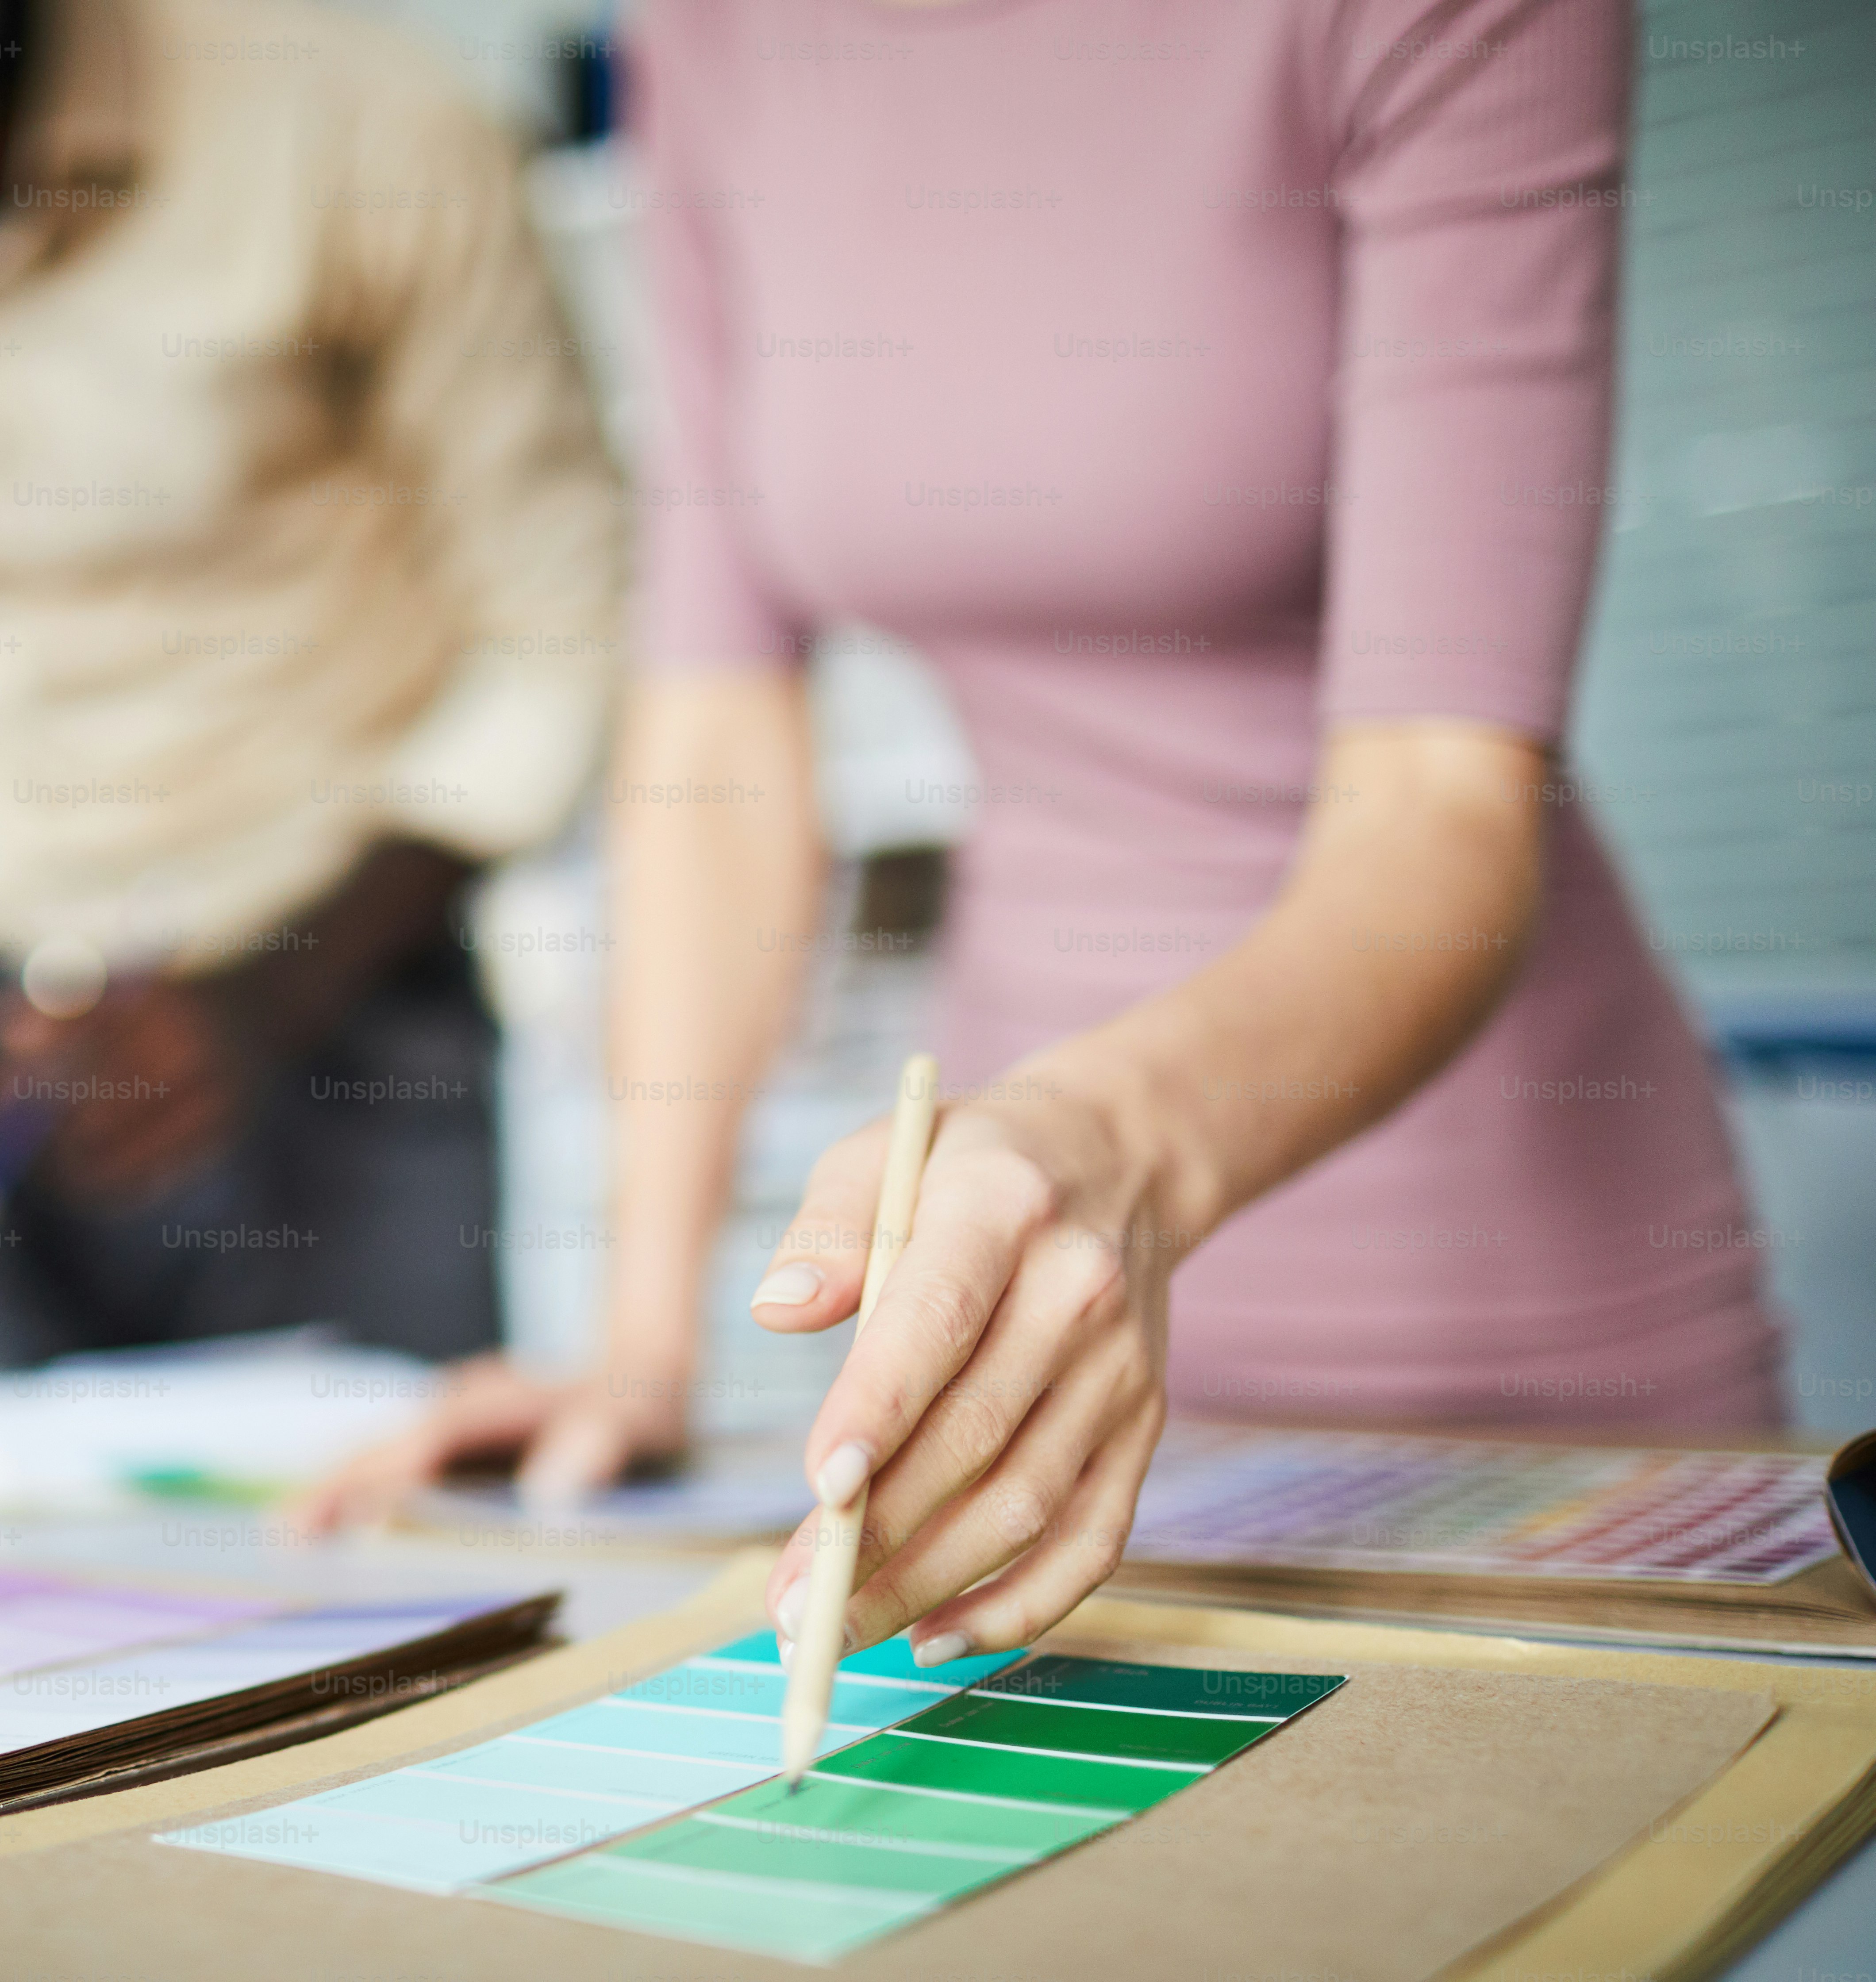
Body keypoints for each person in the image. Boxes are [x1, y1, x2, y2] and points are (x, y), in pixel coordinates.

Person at [302, 0, 1787, 1665]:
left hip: (1487, 1310)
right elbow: (718, 722)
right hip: (1006, 1333)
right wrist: (643, 1346)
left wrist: (1116, 1146)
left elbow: (1446, 804)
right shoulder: (710, 32)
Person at [0, 0, 621, 1367]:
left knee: (387, 1554)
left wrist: (271, 999)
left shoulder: (366, 116)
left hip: (339, 1008)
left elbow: (559, 615)